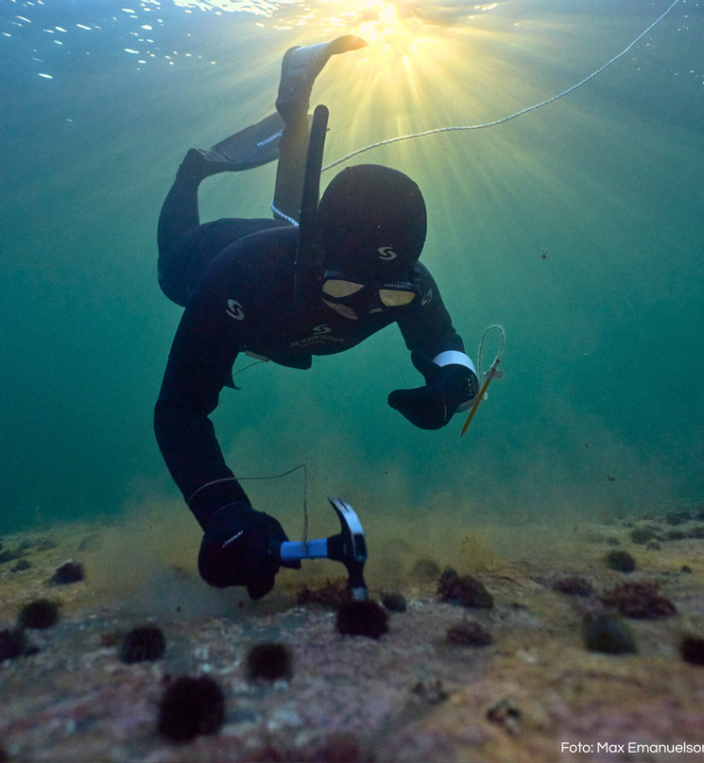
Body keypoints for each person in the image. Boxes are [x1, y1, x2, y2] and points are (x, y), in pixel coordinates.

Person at [154, 36, 479, 600]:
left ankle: (294, 112)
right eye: (346, 286)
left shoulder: (406, 282)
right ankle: (194, 171)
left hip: (300, 257)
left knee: (296, 216)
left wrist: (452, 385)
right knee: (172, 265)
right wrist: (225, 512)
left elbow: (443, 339)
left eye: (390, 296)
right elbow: (180, 409)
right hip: (210, 257)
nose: (364, 304)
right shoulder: (238, 276)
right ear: (319, 259)